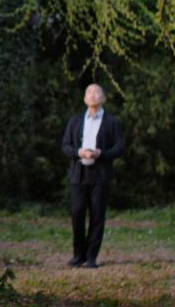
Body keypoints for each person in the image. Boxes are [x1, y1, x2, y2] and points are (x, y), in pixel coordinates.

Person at [61, 83, 124, 268]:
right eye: (89, 92)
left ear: (103, 98)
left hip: (101, 173)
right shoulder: (75, 121)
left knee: (97, 215)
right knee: (77, 213)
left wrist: (100, 154)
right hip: (78, 173)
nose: (93, 95)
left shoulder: (112, 122)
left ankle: (91, 256)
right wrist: (79, 153)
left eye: (97, 92)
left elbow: (119, 147)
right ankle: (78, 255)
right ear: (84, 99)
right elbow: (65, 146)